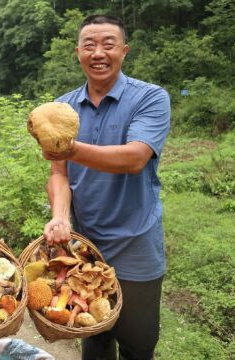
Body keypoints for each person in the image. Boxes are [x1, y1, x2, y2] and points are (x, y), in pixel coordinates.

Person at [40, 15, 170, 360]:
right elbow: (59, 175)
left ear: (124, 51)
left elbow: (134, 158)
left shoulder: (151, 98)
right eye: (89, 45)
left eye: (108, 44)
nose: (99, 53)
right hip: (84, 248)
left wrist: (69, 148)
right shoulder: (62, 108)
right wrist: (59, 217)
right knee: (93, 340)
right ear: (78, 52)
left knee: (138, 345)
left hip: (135, 247)